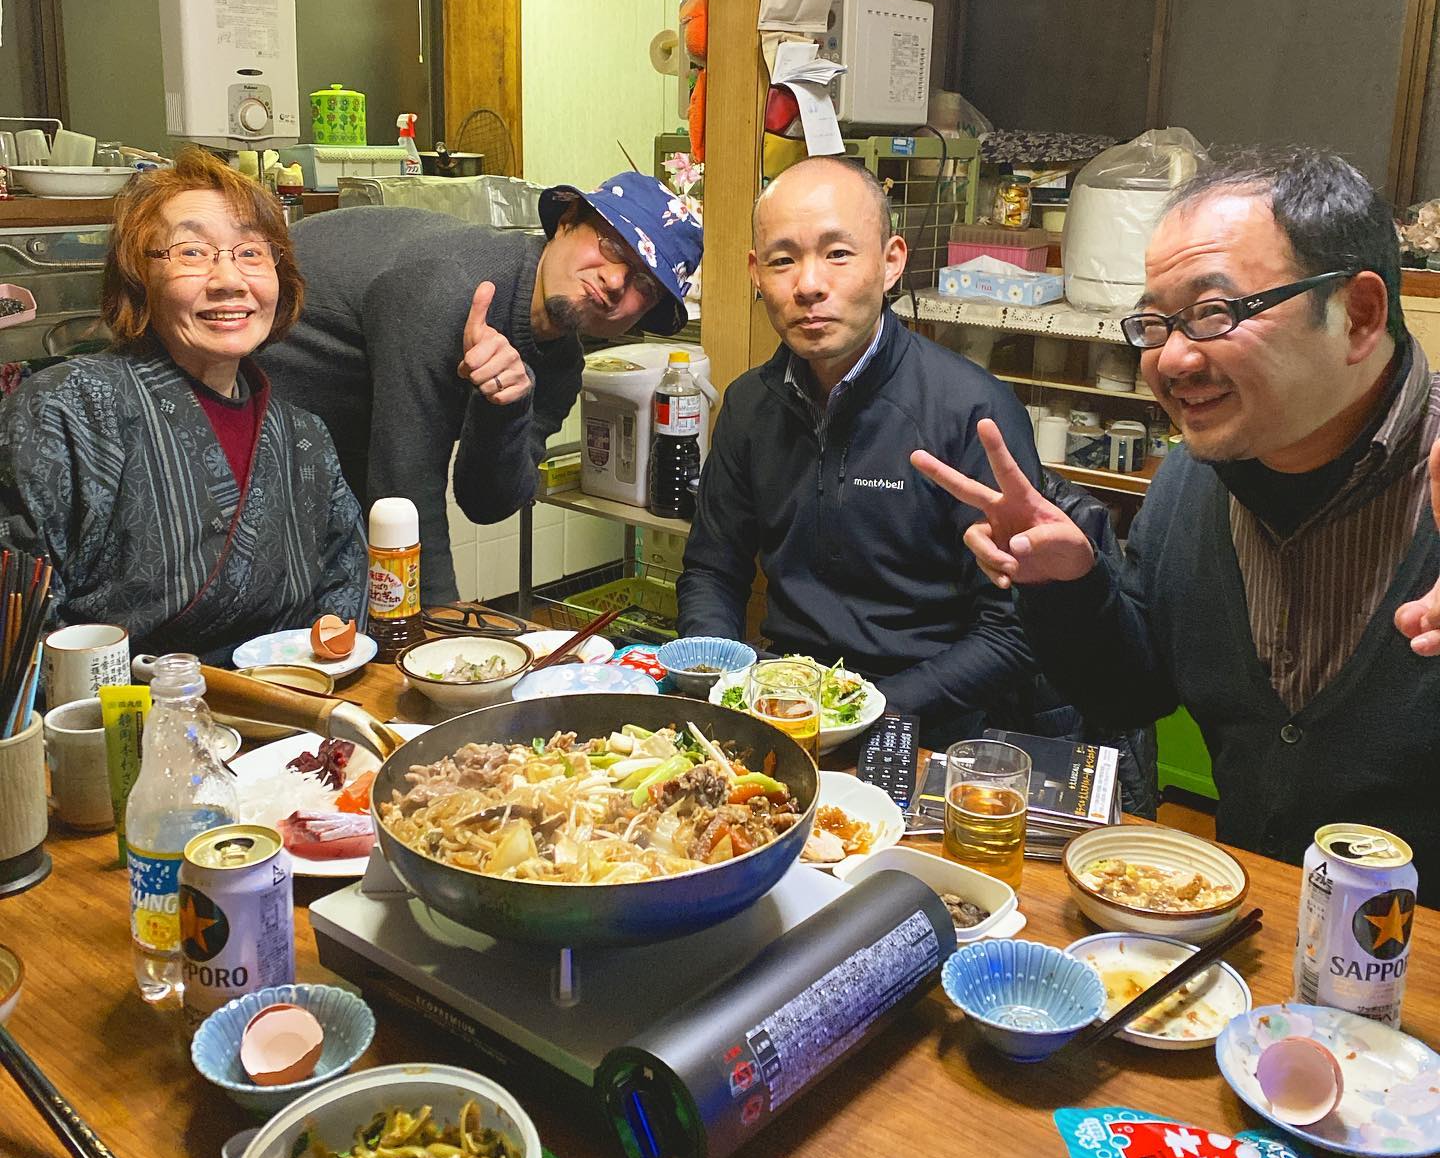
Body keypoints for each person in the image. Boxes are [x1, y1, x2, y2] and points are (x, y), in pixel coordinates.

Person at [914, 147, 1440, 898]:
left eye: (1215, 312)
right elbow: (1138, 695)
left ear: (1358, 315)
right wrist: (1071, 586)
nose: (1172, 358)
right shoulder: (1191, 484)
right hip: (1257, 930)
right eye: (1157, 323)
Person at [678, 154, 1042, 746]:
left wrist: (858, 714)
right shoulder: (748, 406)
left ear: (891, 261)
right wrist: (726, 682)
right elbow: (712, 571)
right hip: (779, 712)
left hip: (927, 727)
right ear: (755, 273)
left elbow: (1011, 633)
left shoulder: (972, 413)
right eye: (782, 259)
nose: (809, 284)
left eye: (838, 253)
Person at [262, 172, 703, 603]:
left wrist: (505, 407)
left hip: (338, 450)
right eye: (610, 246)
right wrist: (439, 634)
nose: (614, 281)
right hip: (253, 411)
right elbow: (405, 483)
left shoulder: (560, 366)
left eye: (643, 284)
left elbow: (488, 504)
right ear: (566, 222)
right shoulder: (448, 289)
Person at [0, 150, 366, 663]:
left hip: (292, 713)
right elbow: (22, 628)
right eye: (192, 252)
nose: (229, 280)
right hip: (122, 723)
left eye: (252, 253)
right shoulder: (67, 409)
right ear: (137, 279)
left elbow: (343, 601)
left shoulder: (305, 438)